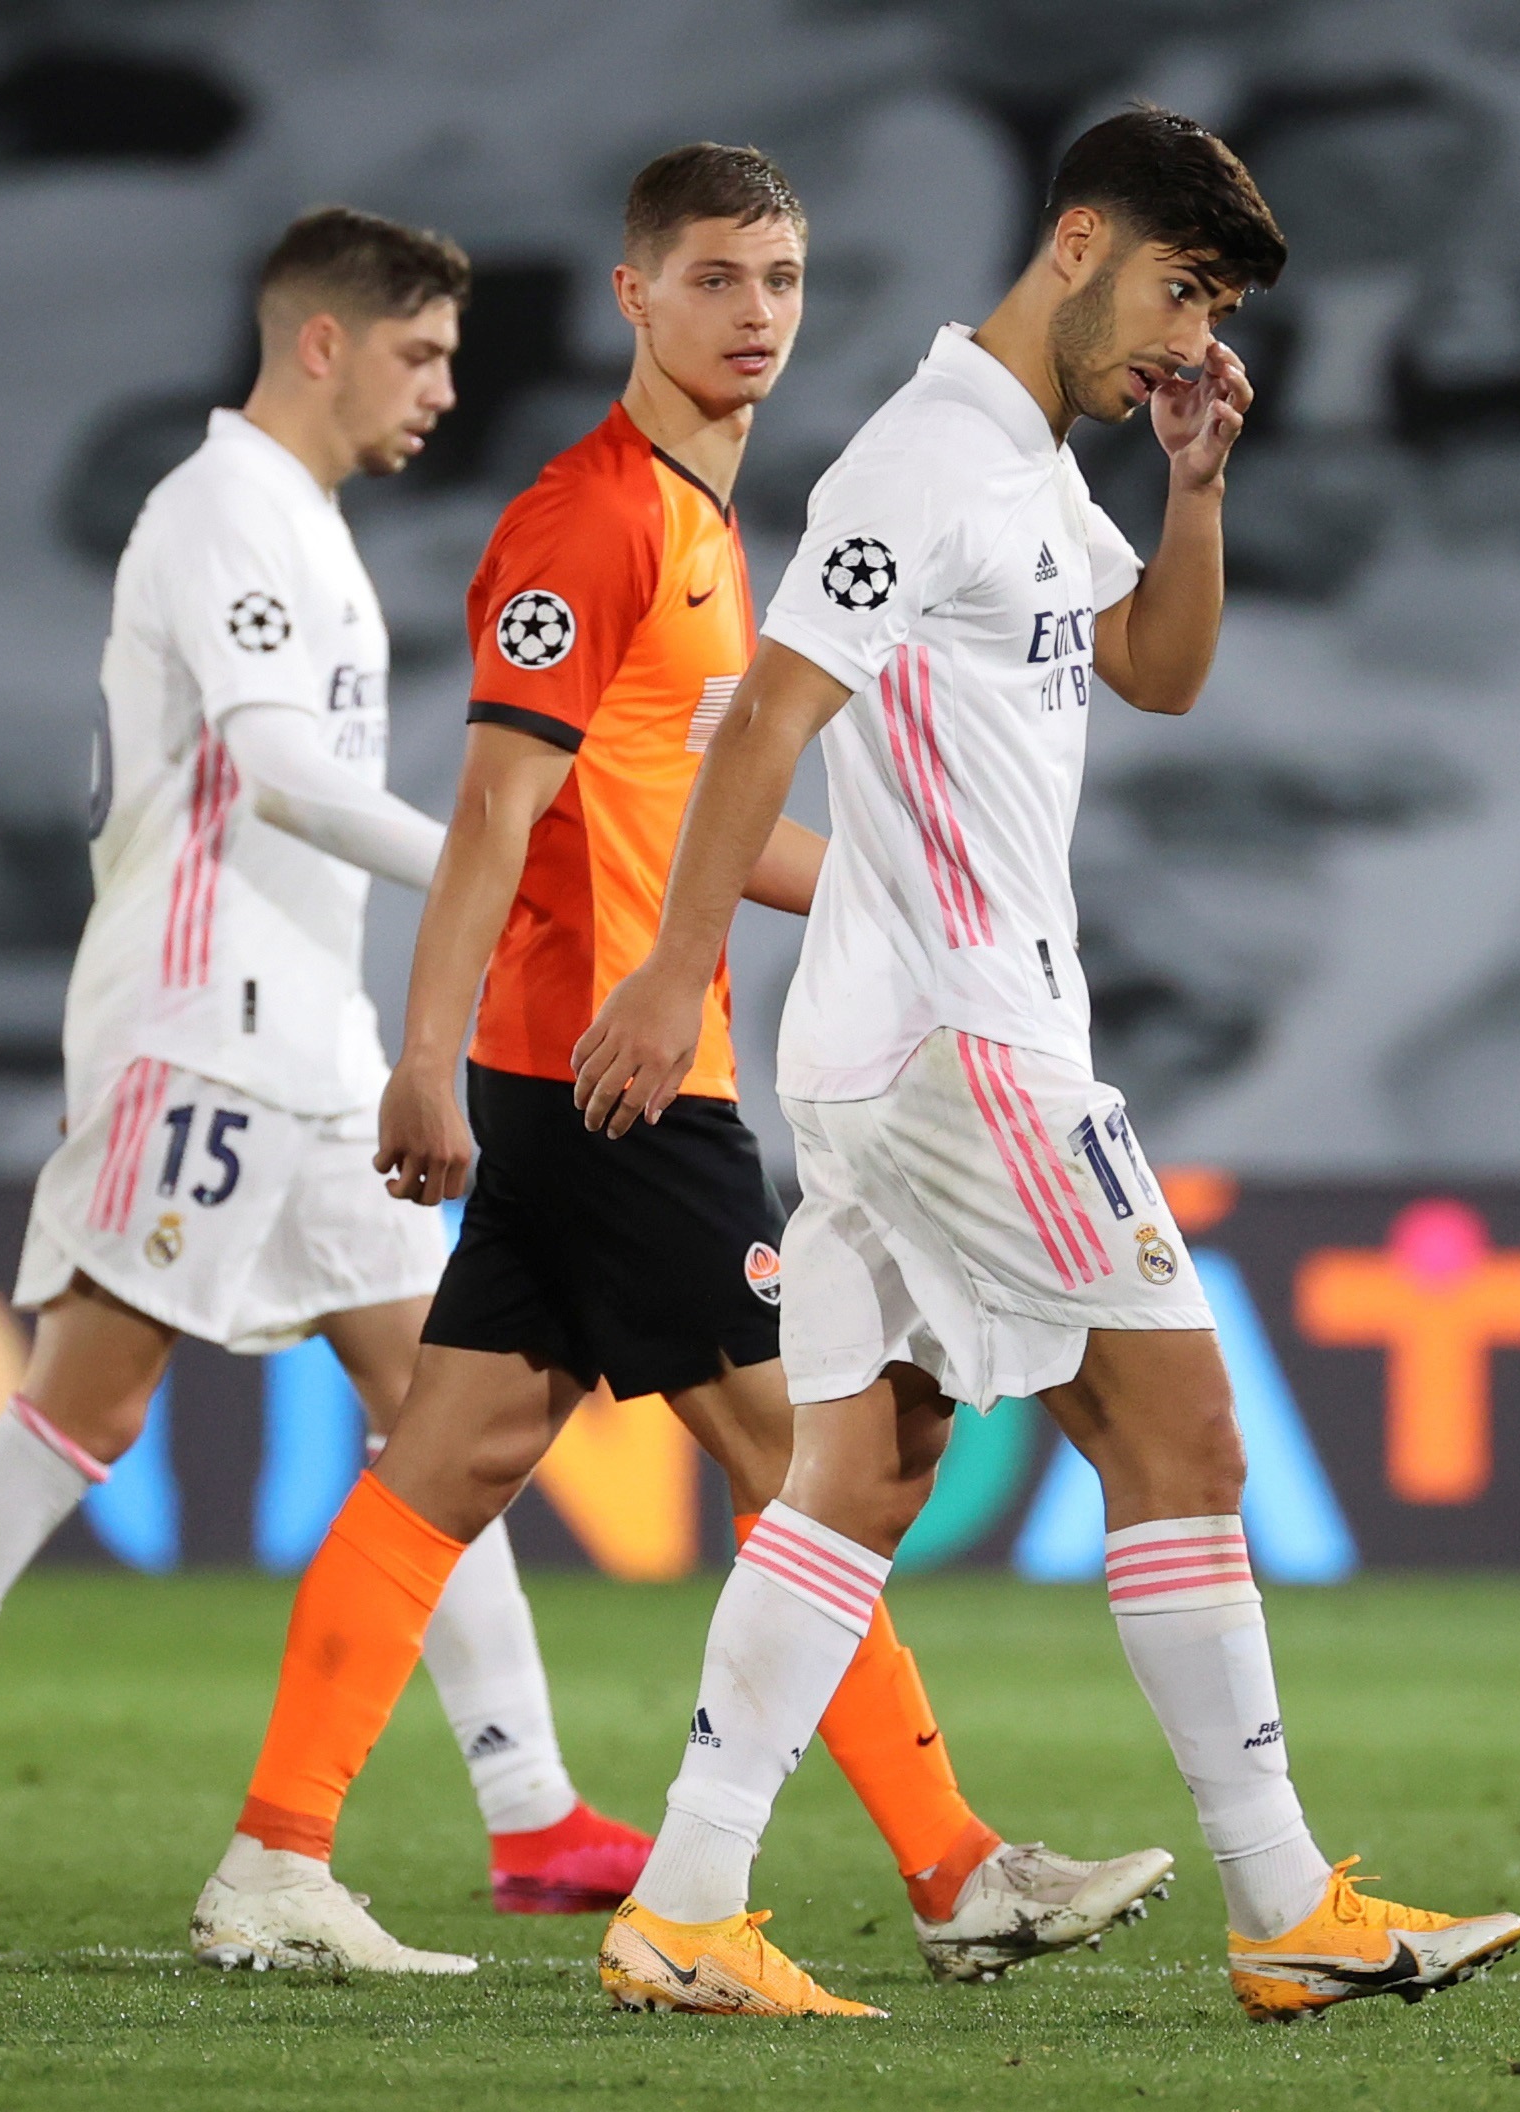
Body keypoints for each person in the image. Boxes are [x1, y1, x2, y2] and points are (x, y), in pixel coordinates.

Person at [561, 105, 1520, 2022]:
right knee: (1187, 1439)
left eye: (1220, 309)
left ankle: (682, 1904)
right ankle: (1283, 1907)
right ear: (1077, 241)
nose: (1191, 335)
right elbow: (764, 717)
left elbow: (1160, 673)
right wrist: (673, 975)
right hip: (960, 1036)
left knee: (866, 1469)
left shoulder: (1030, 465)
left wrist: (1196, 483)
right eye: (1181, 293)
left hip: (907, 1039)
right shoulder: (919, 467)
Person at [188, 144, 1173, 1983]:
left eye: (784, 282)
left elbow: (694, 818)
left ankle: (273, 1858)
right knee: (826, 1459)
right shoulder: (592, 520)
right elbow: (495, 811)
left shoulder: (712, 526)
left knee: (451, 1457)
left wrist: (934, 900)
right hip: (608, 1080)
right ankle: (946, 1873)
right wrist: (424, 1061)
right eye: (717, 279)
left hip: (611, 1067)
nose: (758, 317)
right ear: (634, 296)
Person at [0, 208, 643, 1926]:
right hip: (196, 1034)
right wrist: (505, 853)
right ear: (321, 340)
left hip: (308, 1044)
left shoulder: (299, 524)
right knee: (85, 1407)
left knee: (444, 1410)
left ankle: (531, 1813)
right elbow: (283, 776)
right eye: (422, 352)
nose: (448, 388)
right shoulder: (220, 511)